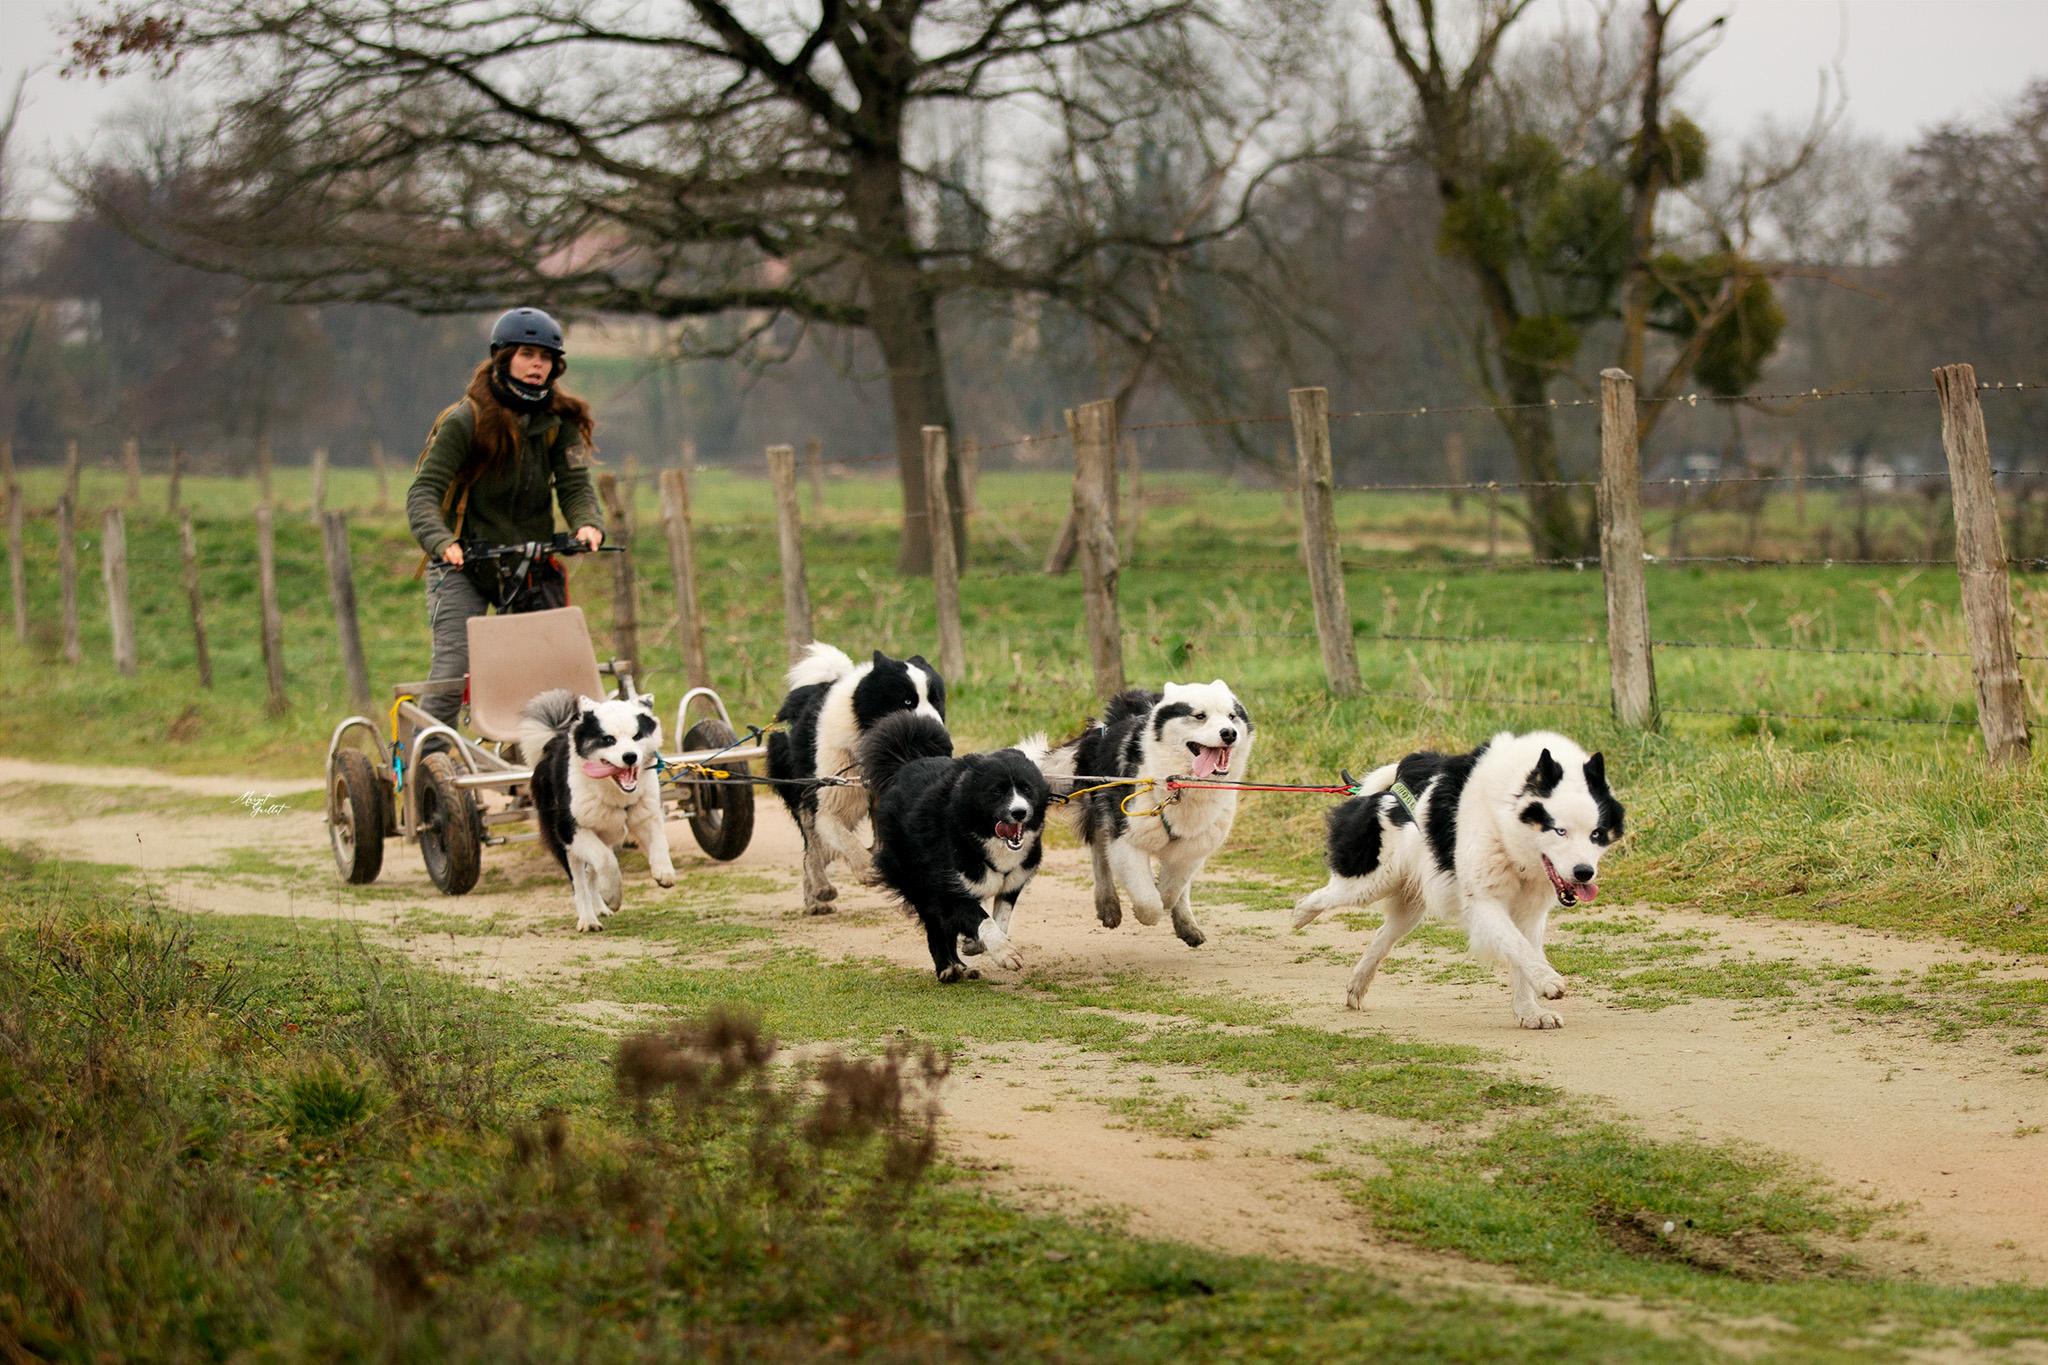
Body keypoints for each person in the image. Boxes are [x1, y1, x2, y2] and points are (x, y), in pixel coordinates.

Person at [407, 306, 605, 729]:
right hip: (464, 565)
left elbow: (575, 486)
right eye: (528, 354)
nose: (538, 364)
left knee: (546, 672)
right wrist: (443, 542)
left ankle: (534, 768)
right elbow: (423, 494)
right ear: (503, 357)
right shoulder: (466, 420)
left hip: (528, 564)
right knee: (453, 668)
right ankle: (430, 759)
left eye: (547, 357)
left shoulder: (557, 421)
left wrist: (587, 522)